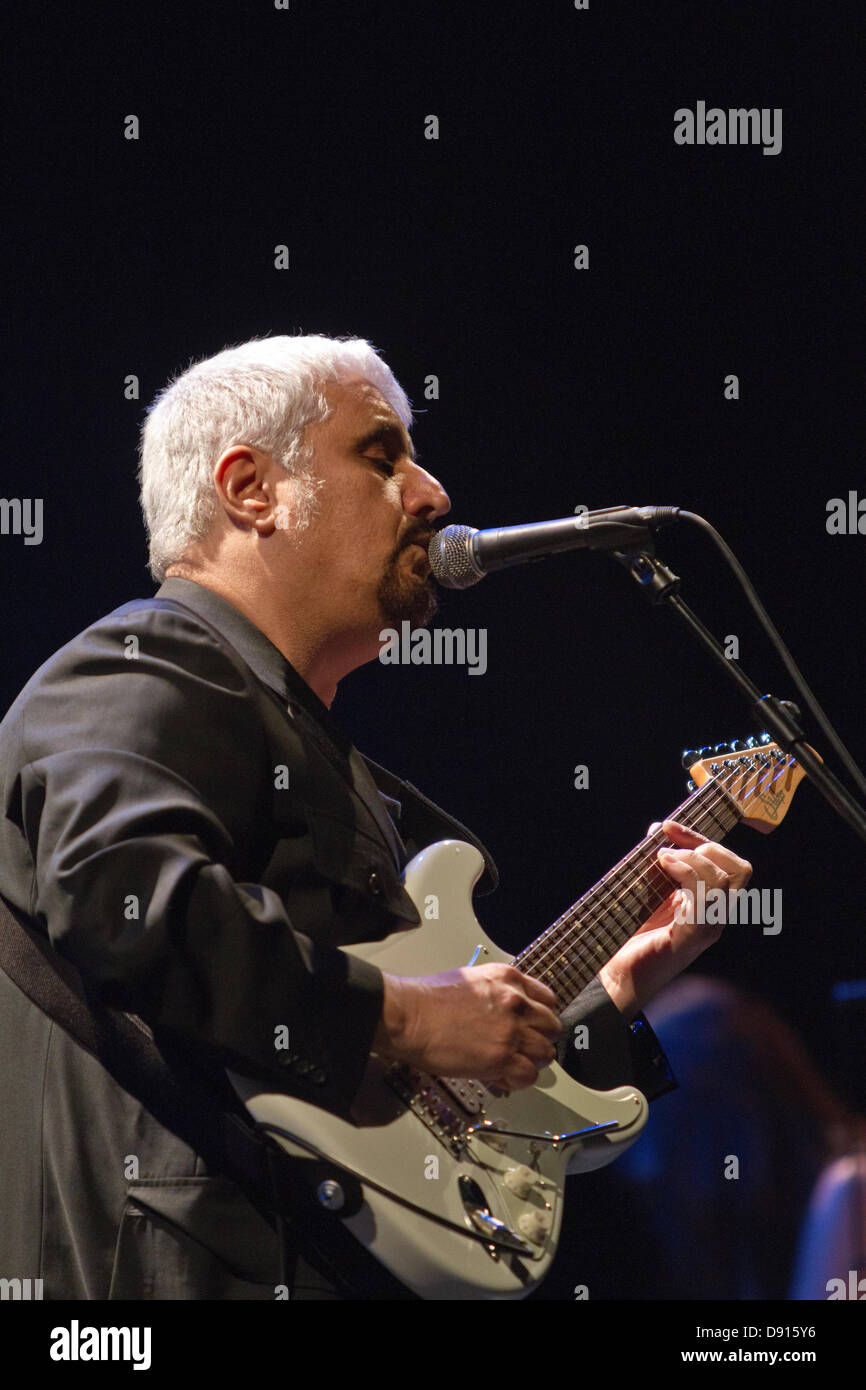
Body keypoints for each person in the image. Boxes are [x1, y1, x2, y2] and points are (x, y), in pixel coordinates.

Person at [0, 335, 752, 1299]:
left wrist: (609, 989)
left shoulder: (331, 760)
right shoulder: (140, 667)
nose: (432, 493)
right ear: (250, 489)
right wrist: (404, 1015)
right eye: (382, 454)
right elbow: (129, 906)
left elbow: (415, 1097)